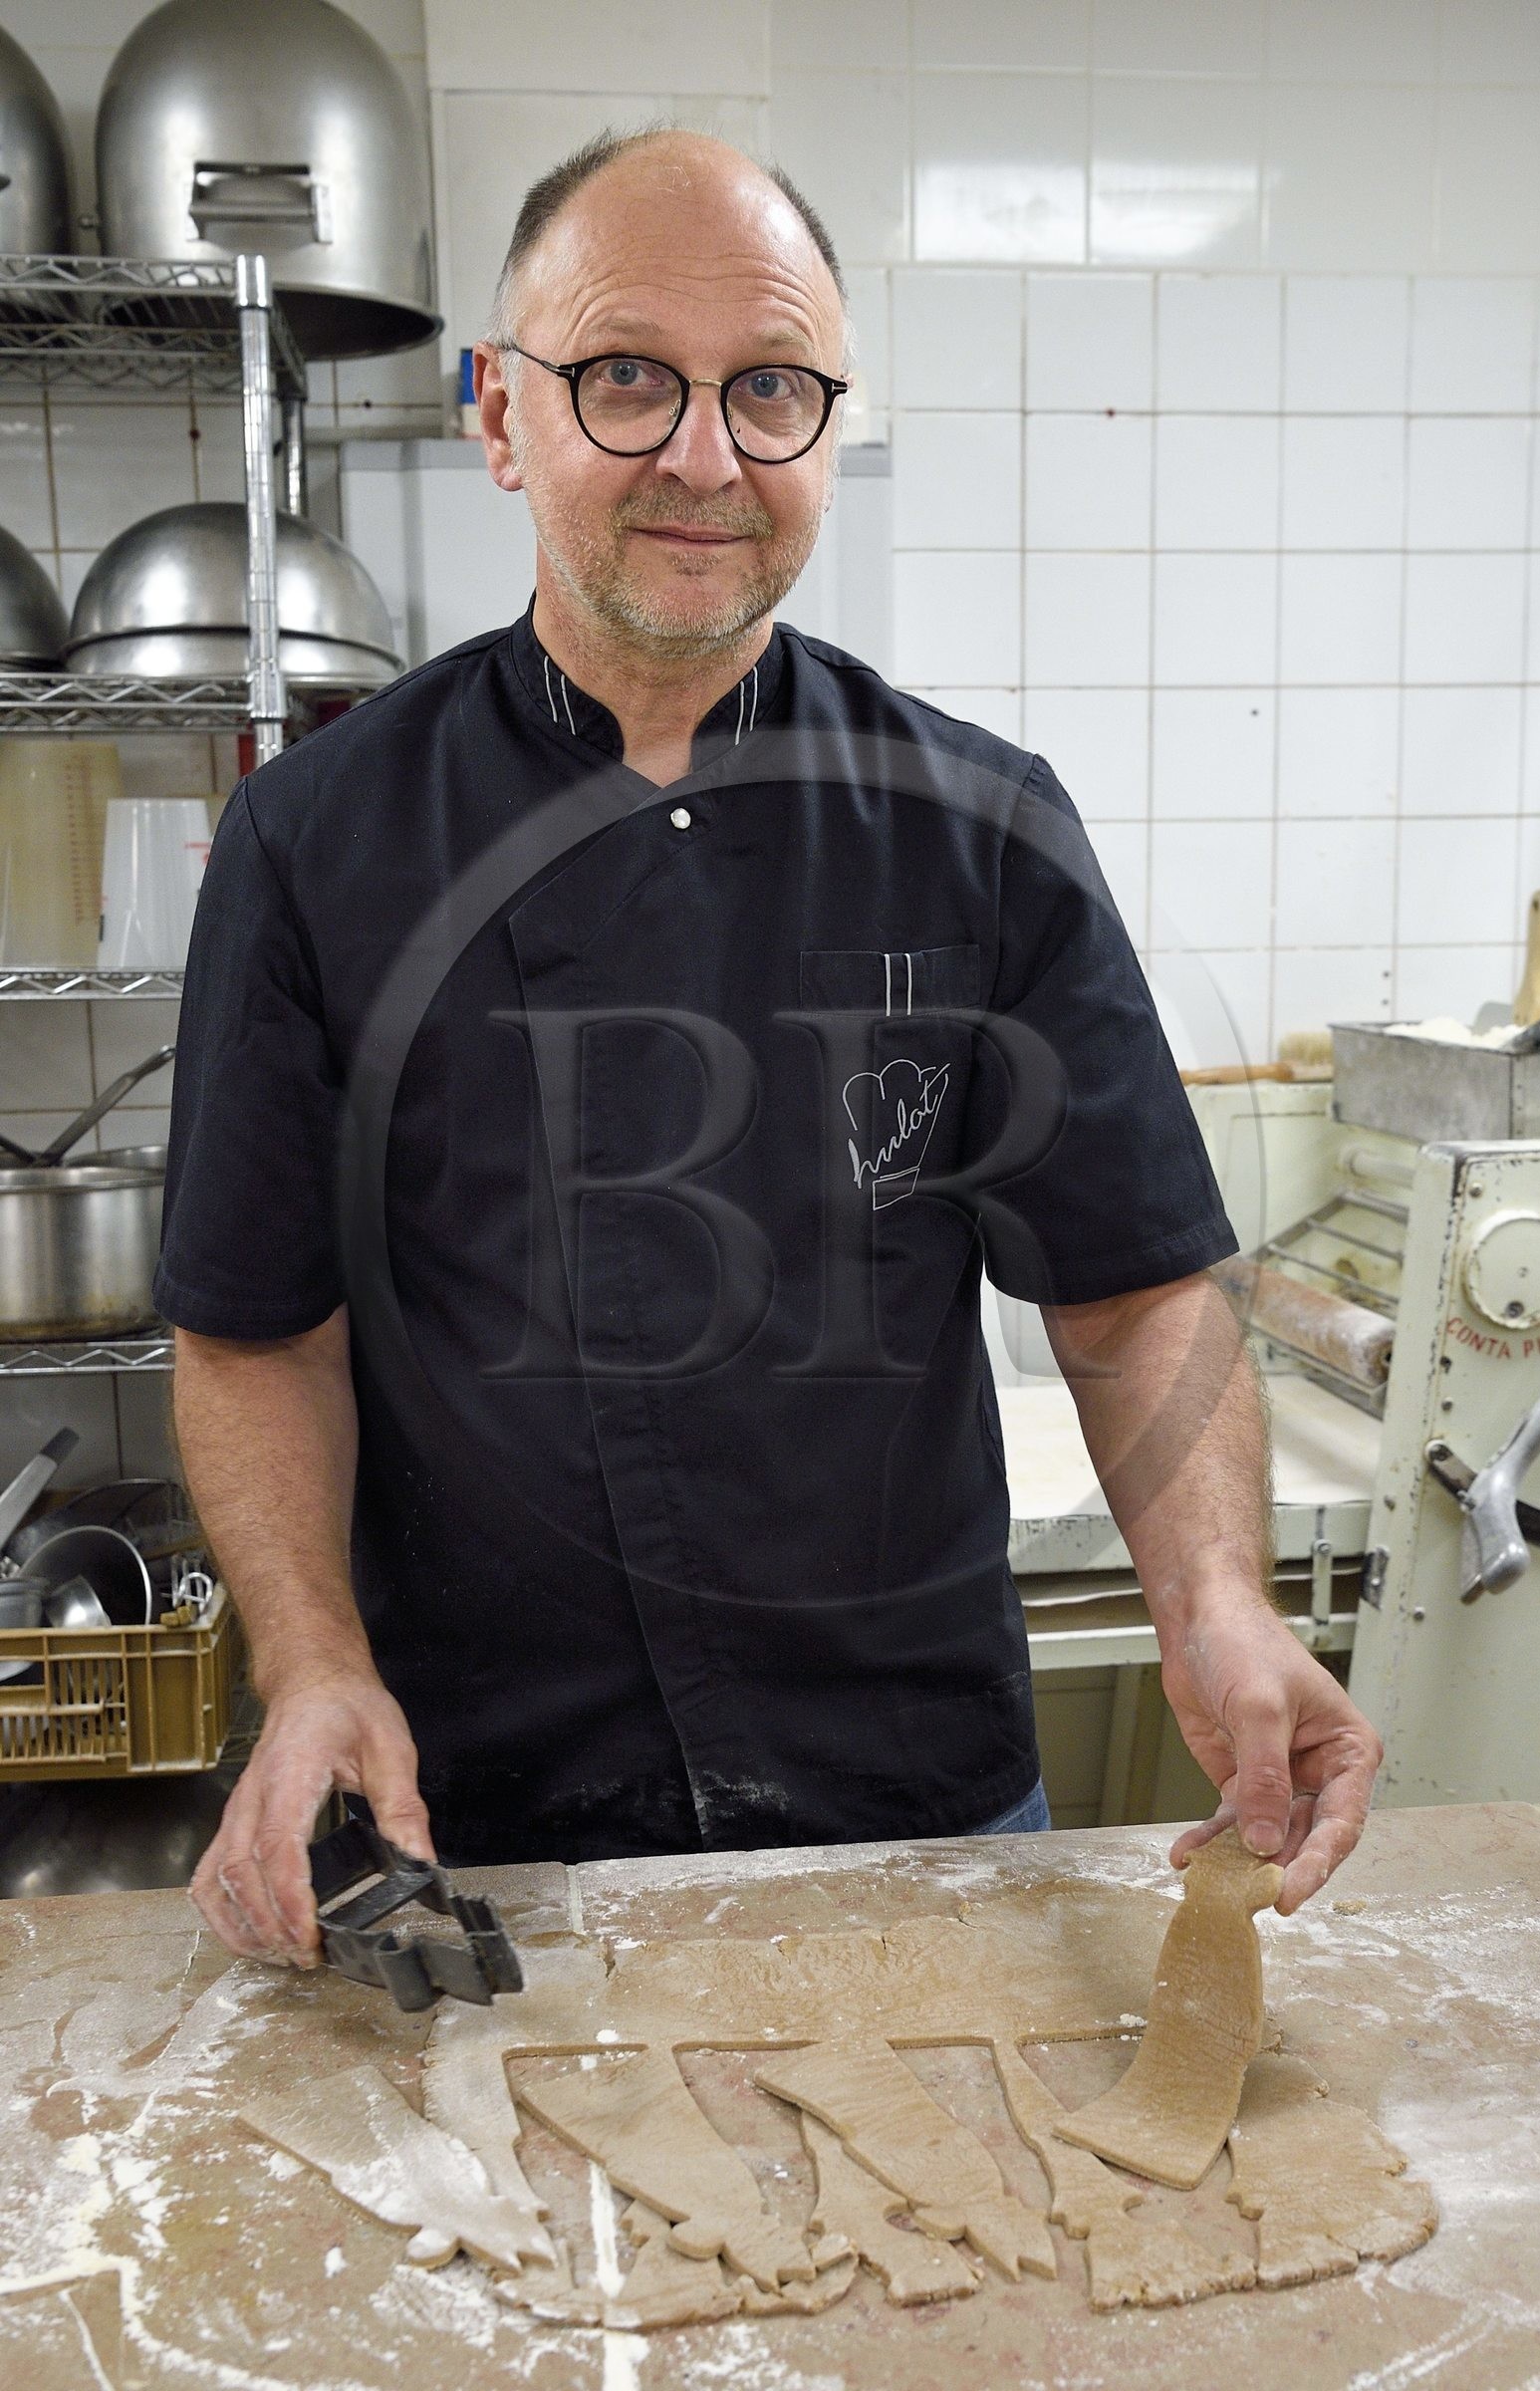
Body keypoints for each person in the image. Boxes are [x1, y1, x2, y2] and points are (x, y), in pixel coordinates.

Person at [164, 129, 1380, 1970]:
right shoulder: (314, 842)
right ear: (502, 416)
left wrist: (1219, 1599)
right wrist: (315, 1661)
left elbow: (1134, 1293)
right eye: (626, 377)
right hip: (486, 1828)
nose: (706, 456)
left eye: (772, 388)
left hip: (917, 1808)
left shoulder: (982, 829)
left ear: (828, 431)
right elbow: (259, 1331)